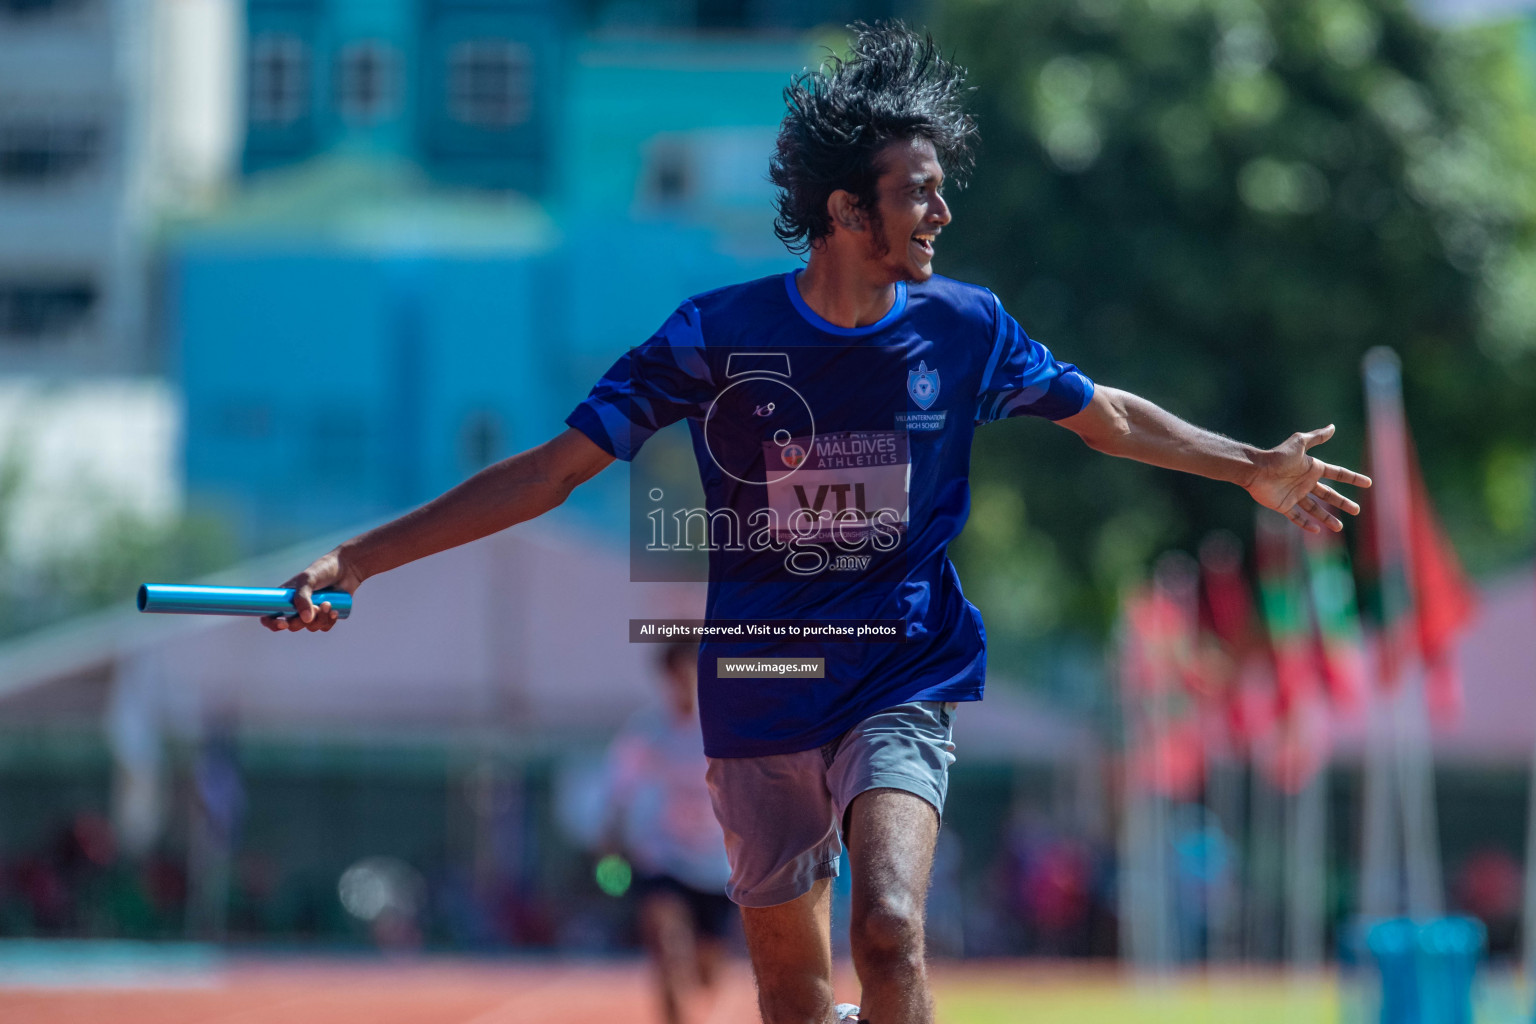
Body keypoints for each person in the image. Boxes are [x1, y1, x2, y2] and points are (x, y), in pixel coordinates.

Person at [261, 22, 1369, 1024]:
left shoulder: (965, 328)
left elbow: (1106, 415)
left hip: (900, 672)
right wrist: (361, 557)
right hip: (758, 691)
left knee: (888, 928)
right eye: (919, 193)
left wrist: (1250, 469)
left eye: (941, 190)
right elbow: (552, 472)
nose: (942, 212)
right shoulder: (711, 336)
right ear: (848, 211)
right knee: (794, 1000)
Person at [602, 642, 733, 1024]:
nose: (683, 682)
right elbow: (618, 790)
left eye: (690, 671)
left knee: (707, 973)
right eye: (675, 674)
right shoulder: (647, 730)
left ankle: (703, 969)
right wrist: (610, 841)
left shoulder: (724, 728)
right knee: (666, 944)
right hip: (664, 856)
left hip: (716, 864)